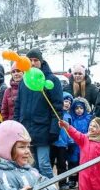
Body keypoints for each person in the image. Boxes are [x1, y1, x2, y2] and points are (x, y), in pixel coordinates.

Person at [13, 48, 63, 179]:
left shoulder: (51, 80)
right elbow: (18, 105)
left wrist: (54, 129)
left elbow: (57, 107)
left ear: (41, 61)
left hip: (43, 129)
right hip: (26, 129)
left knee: (44, 164)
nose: (33, 63)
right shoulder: (24, 81)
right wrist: (17, 125)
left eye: (36, 60)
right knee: (31, 165)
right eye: (30, 60)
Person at [67, 97, 93, 190]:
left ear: (85, 109)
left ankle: (83, 179)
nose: (79, 110)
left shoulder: (88, 118)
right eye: (77, 108)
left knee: (84, 162)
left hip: (85, 144)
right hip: (74, 144)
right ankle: (72, 179)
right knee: (73, 162)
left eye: (81, 108)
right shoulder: (71, 118)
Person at [50, 92, 74, 190]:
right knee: (50, 163)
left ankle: (63, 183)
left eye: (69, 102)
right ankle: (49, 182)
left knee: (62, 164)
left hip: (63, 145)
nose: (67, 103)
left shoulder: (69, 117)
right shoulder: (55, 114)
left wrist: (70, 141)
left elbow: (70, 130)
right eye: (65, 101)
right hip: (53, 143)